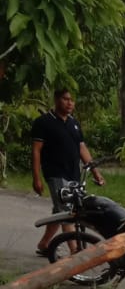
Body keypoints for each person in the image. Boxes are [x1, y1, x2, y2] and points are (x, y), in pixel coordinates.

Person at [31, 88, 104, 254]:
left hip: (74, 173)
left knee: (61, 210)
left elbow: (82, 148)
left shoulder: (74, 123)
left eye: (72, 100)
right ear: (56, 100)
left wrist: (96, 173)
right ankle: (75, 250)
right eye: (65, 99)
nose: (70, 103)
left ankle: (44, 244)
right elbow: (36, 151)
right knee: (67, 211)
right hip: (55, 173)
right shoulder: (43, 122)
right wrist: (36, 178)